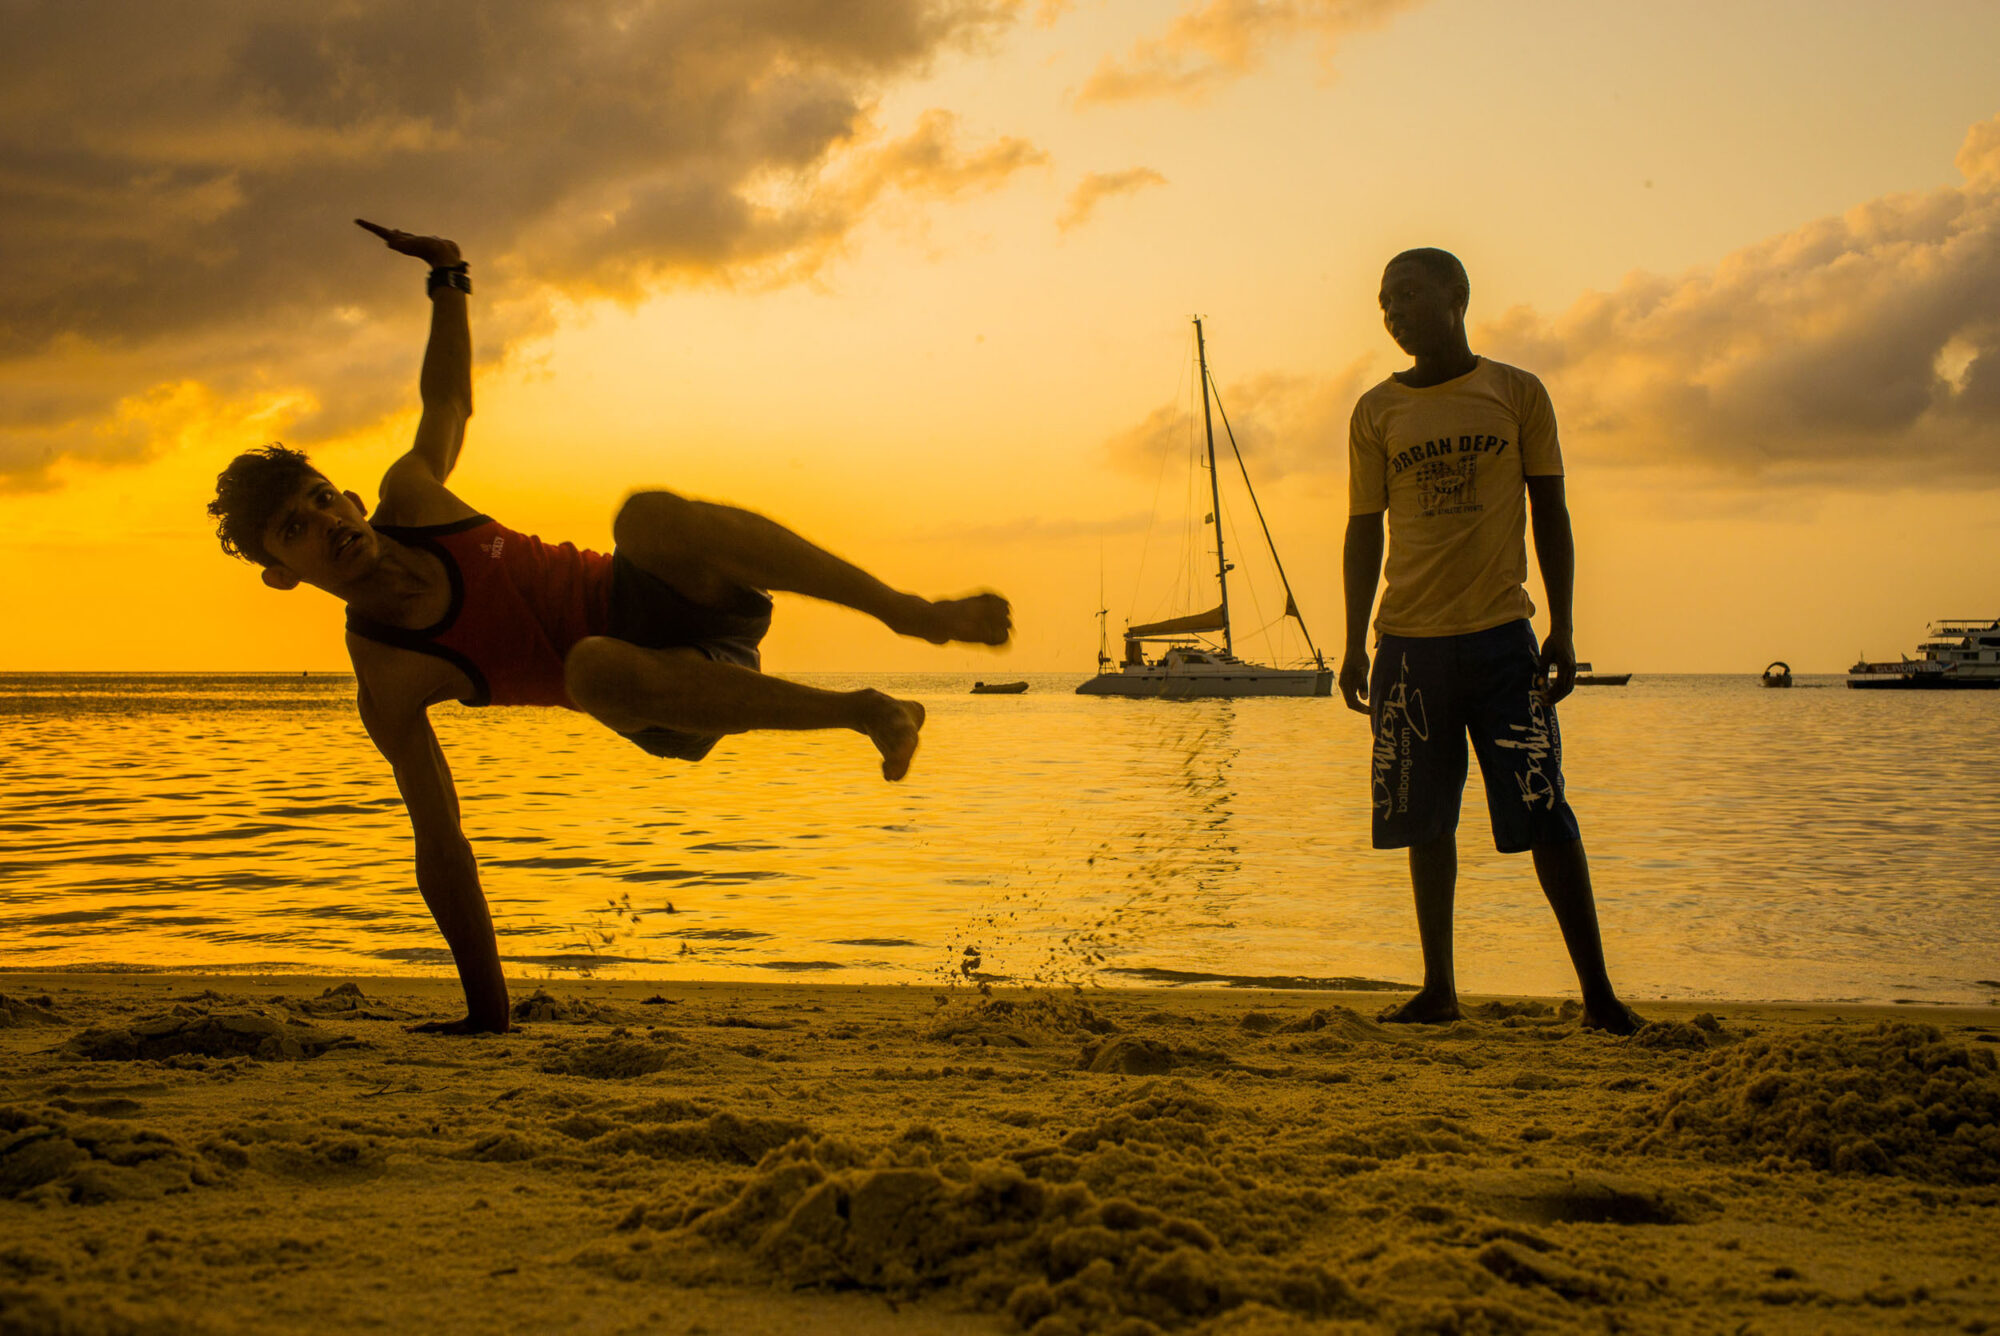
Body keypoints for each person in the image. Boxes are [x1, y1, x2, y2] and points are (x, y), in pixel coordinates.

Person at [207, 221, 1011, 1035]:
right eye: (292, 529)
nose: (321, 521)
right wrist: (488, 1016)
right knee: (589, 667)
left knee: (645, 515)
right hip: (658, 694)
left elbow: (446, 401)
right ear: (283, 573)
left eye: (317, 497)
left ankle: (911, 613)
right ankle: (868, 711)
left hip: (683, 599)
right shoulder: (388, 675)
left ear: (345, 495)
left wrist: (448, 273)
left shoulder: (412, 496)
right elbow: (442, 844)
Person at [1340, 247, 1640, 1035]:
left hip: (1505, 640)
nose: (1395, 311)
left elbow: (1553, 516)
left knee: (1546, 810)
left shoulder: (1516, 393)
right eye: (1384, 301)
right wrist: (1351, 640)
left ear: (1457, 294)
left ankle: (1600, 997)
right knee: (1426, 823)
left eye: (1408, 293)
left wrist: (1566, 626)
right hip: (1409, 648)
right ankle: (1439, 989)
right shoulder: (1375, 411)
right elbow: (1362, 531)